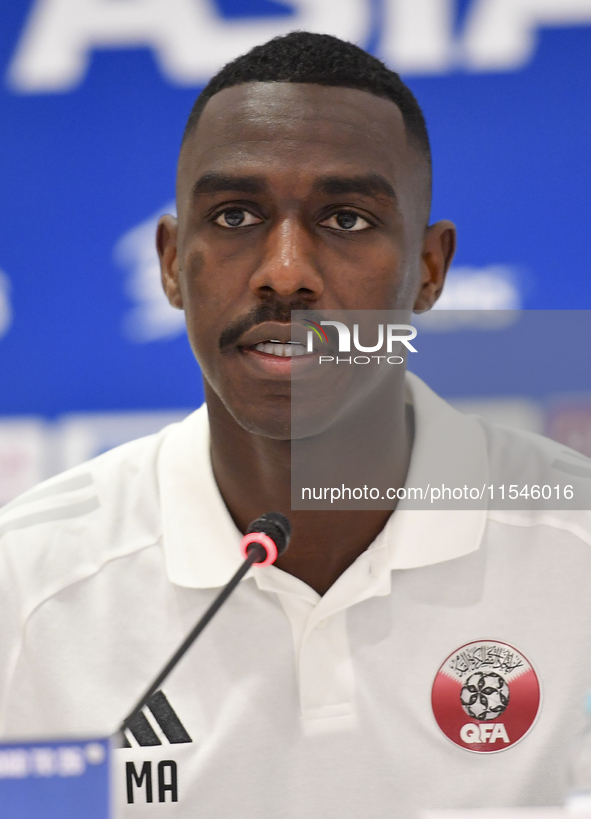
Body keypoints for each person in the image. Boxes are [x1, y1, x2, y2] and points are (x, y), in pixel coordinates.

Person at [1, 31, 591, 819]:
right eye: (235, 214)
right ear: (173, 263)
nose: (284, 271)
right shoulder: (29, 588)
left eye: (345, 219)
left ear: (427, 269)